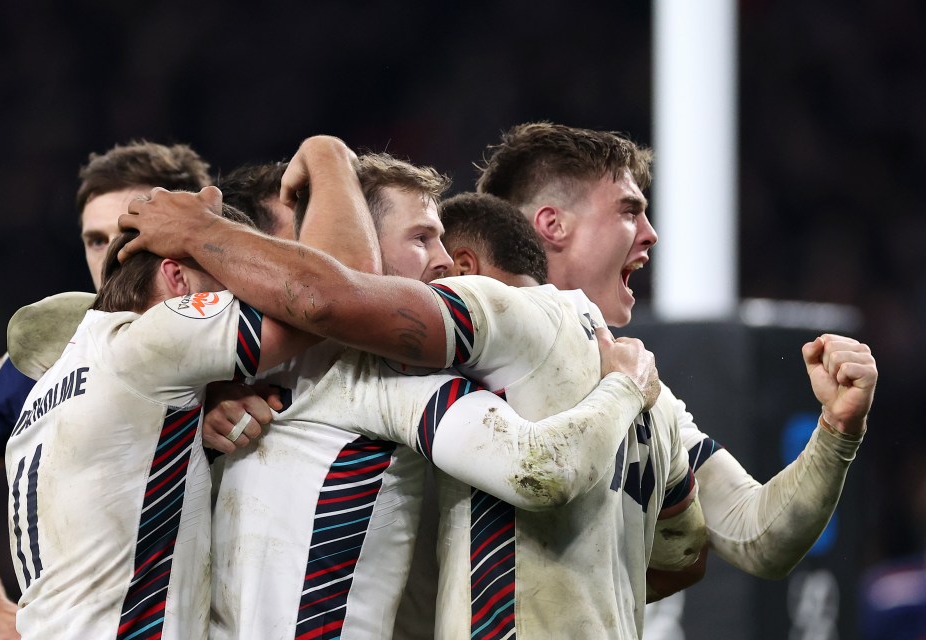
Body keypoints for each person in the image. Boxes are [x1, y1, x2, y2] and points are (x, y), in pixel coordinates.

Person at [118, 160, 705, 638]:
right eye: (422, 238)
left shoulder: (382, 378)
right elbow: (539, 468)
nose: (445, 260)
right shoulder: (375, 381)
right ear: (363, 254)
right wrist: (623, 387)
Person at [473, 121, 875, 582]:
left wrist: (838, 429)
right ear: (553, 224)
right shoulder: (451, 362)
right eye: (629, 211)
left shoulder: (648, 398)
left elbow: (759, 536)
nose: (650, 234)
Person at [3, 203, 324, 639]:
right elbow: (319, 301)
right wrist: (328, 159)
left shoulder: (48, 390)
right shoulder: (146, 345)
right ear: (177, 278)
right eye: (235, 286)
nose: (246, 299)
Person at [0, 139, 212, 639]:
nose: (110, 260)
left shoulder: (250, 334)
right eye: (96, 240)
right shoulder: (55, 351)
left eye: (129, 234)